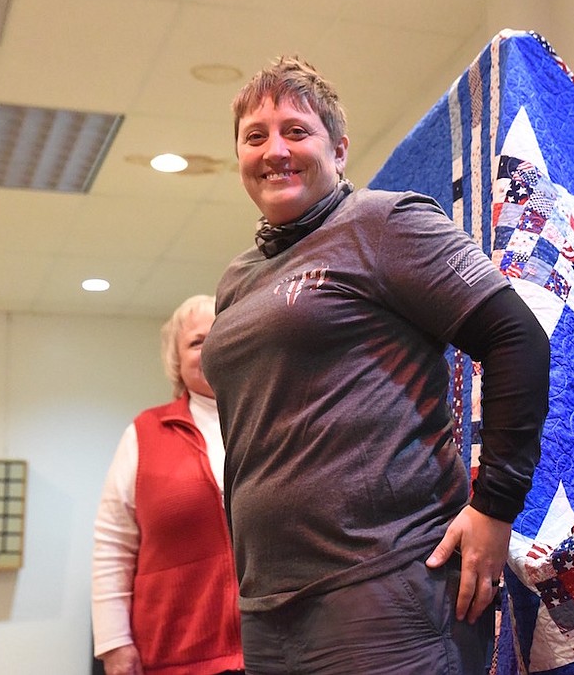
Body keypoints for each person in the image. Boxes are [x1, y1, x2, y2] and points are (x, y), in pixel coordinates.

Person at [199, 55, 550, 675]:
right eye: (255, 137)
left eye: (295, 131)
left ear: (338, 150)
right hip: (268, 608)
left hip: (385, 592)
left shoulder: (382, 222)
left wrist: (495, 507)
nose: (274, 150)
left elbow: (516, 338)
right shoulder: (237, 279)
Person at [92, 294, 243, 675]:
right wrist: (114, 644)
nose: (211, 347)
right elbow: (113, 544)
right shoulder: (144, 433)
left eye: (223, 332)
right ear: (176, 360)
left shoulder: (276, 422)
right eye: (196, 341)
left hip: (276, 653)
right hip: (173, 656)